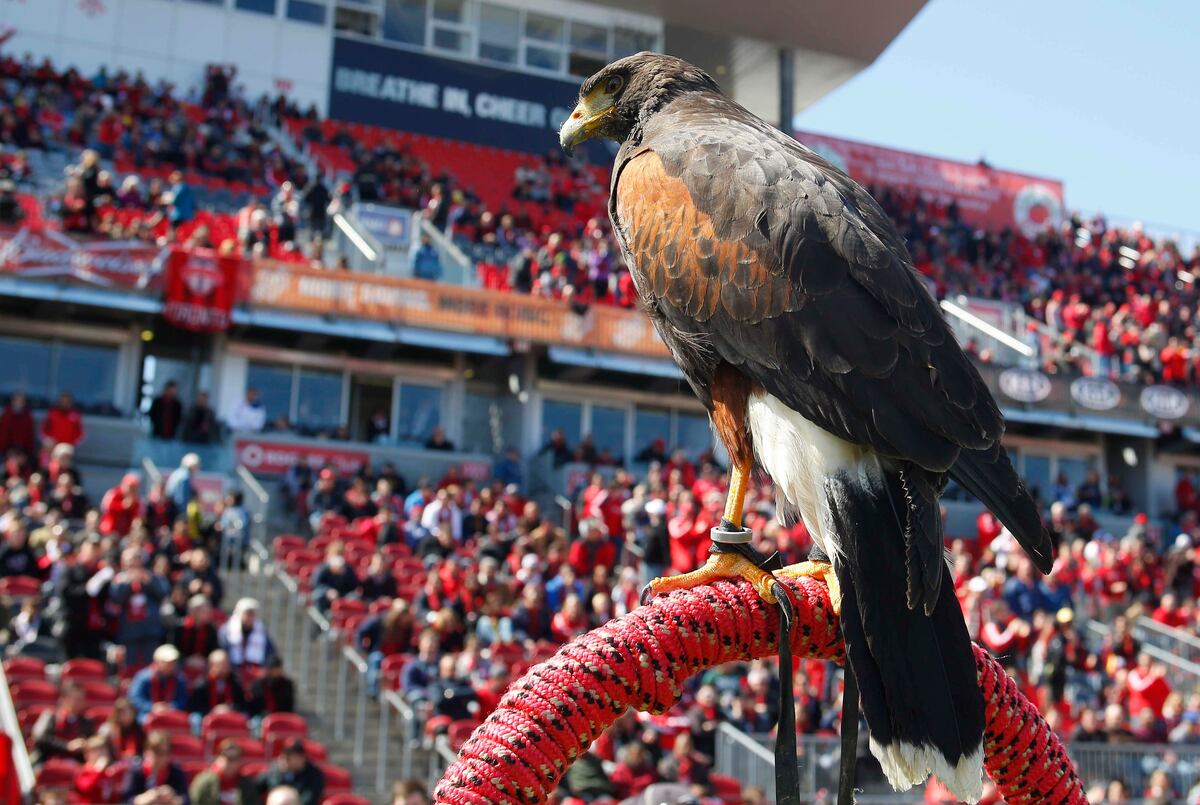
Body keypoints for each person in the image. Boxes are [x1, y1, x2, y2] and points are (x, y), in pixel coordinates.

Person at [31, 683, 96, 765]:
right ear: (65, 699)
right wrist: (67, 746)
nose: (80, 702)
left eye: (82, 699)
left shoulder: (86, 722)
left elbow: (94, 741)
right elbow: (40, 738)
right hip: (49, 762)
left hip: (77, 764)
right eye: (76, 699)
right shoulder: (51, 716)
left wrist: (84, 744)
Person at [122, 730, 190, 805]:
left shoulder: (176, 771)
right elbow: (126, 800)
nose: (162, 757)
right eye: (157, 752)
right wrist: (144, 799)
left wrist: (173, 799)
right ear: (146, 751)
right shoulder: (135, 771)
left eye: (166, 753)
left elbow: (186, 800)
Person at [129, 645, 190, 721]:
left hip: (172, 712)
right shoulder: (143, 677)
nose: (171, 665)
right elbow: (136, 698)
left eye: (173, 662)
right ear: (157, 662)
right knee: (142, 720)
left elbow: (182, 699)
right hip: (146, 713)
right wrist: (152, 707)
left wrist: (170, 707)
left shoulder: (180, 678)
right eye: (167, 662)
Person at [189, 738, 257, 805]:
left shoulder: (246, 783)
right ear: (219, 758)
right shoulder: (205, 781)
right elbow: (193, 801)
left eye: (234, 758)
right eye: (227, 757)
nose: (230, 762)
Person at [257, 739, 325, 805]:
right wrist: (280, 774)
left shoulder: (314, 775)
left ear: (302, 757)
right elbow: (256, 788)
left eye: (289, 757)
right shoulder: (275, 770)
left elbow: (309, 799)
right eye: (284, 756)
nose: (285, 760)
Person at [219, 597, 276, 668]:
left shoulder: (261, 631)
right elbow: (223, 649)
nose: (250, 617)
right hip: (233, 670)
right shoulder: (226, 631)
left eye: (252, 614)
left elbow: (270, 652)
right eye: (248, 614)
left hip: (255, 670)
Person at [0, 392, 36, 458]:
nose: (18, 403)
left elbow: (29, 435)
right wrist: (6, 450)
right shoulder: (6, 415)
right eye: (16, 400)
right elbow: (3, 435)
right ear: (12, 401)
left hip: (23, 450)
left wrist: (25, 452)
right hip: (6, 449)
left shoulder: (28, 416)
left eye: (21, 401)